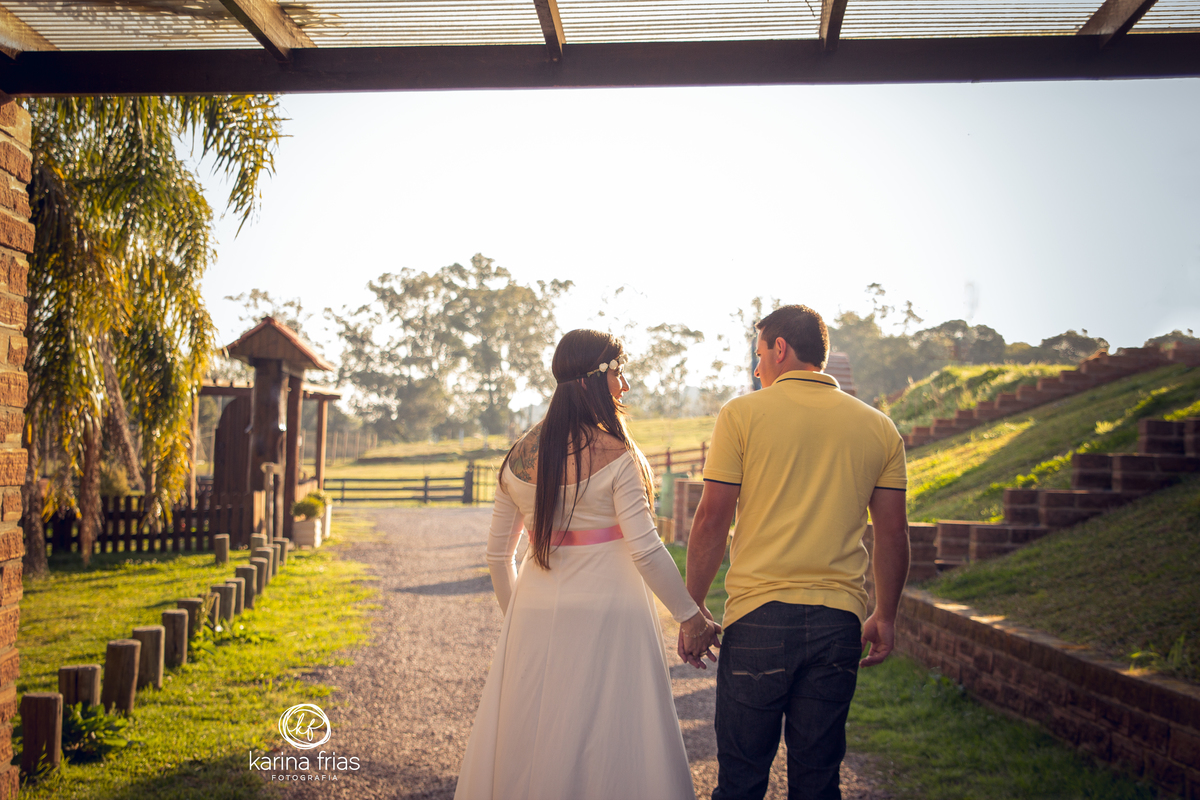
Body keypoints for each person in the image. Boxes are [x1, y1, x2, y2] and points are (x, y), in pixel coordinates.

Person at [454, 328, 720, 800]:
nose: (625, 386)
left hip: (534, 614)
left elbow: (498, 556)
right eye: (619, 372)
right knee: (610, 744)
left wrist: (518, 619)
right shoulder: (619, 454)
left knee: (536, 741)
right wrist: (690, 617)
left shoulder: (517, 458)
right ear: (595, 378)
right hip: (611, 616)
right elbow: (645, 548)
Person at [679, 304, 910, 800]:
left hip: (758, 619)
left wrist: (692, 609)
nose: (755, 368)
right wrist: (886, 615)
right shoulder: (879, 427)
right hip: (839, 625)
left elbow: (712, 518)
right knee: (818, 782)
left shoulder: (741, 415)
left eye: (758, 354)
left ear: (779, 348)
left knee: (740, 781)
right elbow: (893, 533)